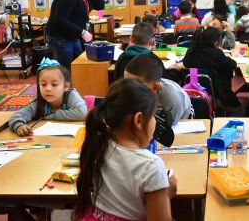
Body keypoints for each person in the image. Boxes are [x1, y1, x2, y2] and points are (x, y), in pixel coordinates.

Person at [74, 79, 177, 221]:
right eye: (153, 115)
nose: (155, 121)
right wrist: (165, 195)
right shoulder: (151, 166)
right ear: (139, 120)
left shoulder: (99, 145)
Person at [46, 0, 105, 69]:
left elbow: (100, 6)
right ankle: (67, 86)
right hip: (60, 37)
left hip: (73, 35)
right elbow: (59, 20)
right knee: (67, 69)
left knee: (78, 66)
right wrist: (82, 32)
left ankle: (75, 85)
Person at [8, 58, 87, 136]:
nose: (48, 89)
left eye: (54, 84)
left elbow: (83, 113)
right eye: (43, 84)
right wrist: (19, 126)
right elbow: (16, 116)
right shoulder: (38, 102)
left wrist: (53, 116)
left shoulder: (71, 95)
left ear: (66, 86)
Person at [183, 26, 243, 115]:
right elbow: (232, 64)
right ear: (216, 41)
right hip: (215, 89)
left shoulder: (192, 51)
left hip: (194, 86)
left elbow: (186, 64)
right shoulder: (217, 53)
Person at [124, 54, 192, 124]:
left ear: (155, 87)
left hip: (181, 119)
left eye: (136, 86)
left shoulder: (170, 99)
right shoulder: (141, 88)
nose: (128, 89)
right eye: (126, 82)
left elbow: (167, 128)